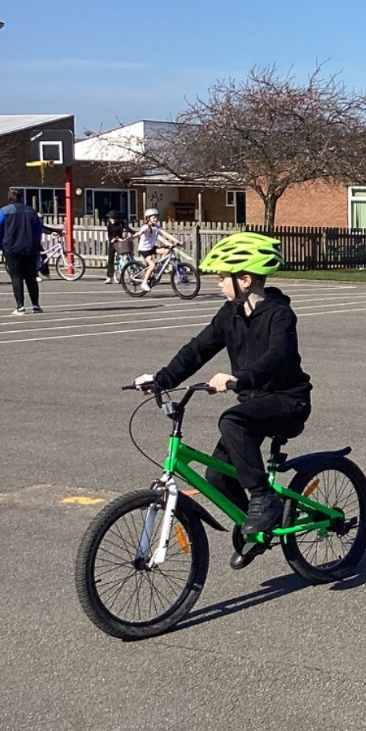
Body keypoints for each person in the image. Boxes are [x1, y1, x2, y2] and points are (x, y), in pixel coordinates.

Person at [134, 233, 311, 568]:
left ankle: (264, 499)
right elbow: (198, 348)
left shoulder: (280, 314)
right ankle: (259, 528)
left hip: (287, 401)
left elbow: (276, 358)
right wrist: (162, 379)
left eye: (221, 277)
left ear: (245, 279)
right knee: (217, 477)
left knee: (232, 419)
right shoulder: (230, 313)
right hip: (253, 403)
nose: (217, 284)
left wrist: (237, 378)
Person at [0, 189, 45, 316]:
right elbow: (38, 229)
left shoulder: (4, 211)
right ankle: (36, 305)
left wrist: (1, 244)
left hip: (12, 247)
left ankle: (20, 306)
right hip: (30, 247)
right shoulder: (32, 211)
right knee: (31, 277)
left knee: (16, 276)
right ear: (21, 198)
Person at [132, 207, 180, 293]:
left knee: (166, 251)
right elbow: (139, 233)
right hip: (144, 249)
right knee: (152, 265)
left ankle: (160, 267)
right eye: (153, 217)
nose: (155, 219)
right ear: (148, 218)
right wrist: (133, 237)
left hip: (151, 248)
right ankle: (144, 283)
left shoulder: (157, 227)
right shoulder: (145, 227)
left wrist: (177, 241)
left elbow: (167, 235)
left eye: (156, 217)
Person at [104, 207, 132, 284]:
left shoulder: (121, 223)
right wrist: (112, 239)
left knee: (125, 258)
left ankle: (129, 276)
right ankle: (110, 277)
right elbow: (109, 235)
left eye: (113, 218)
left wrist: (134, 233)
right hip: (112, 243)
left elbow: (128, 229)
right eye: (110, 218)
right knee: (110, 259)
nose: (112, 220)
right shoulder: (109, 225)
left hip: (120, 241)